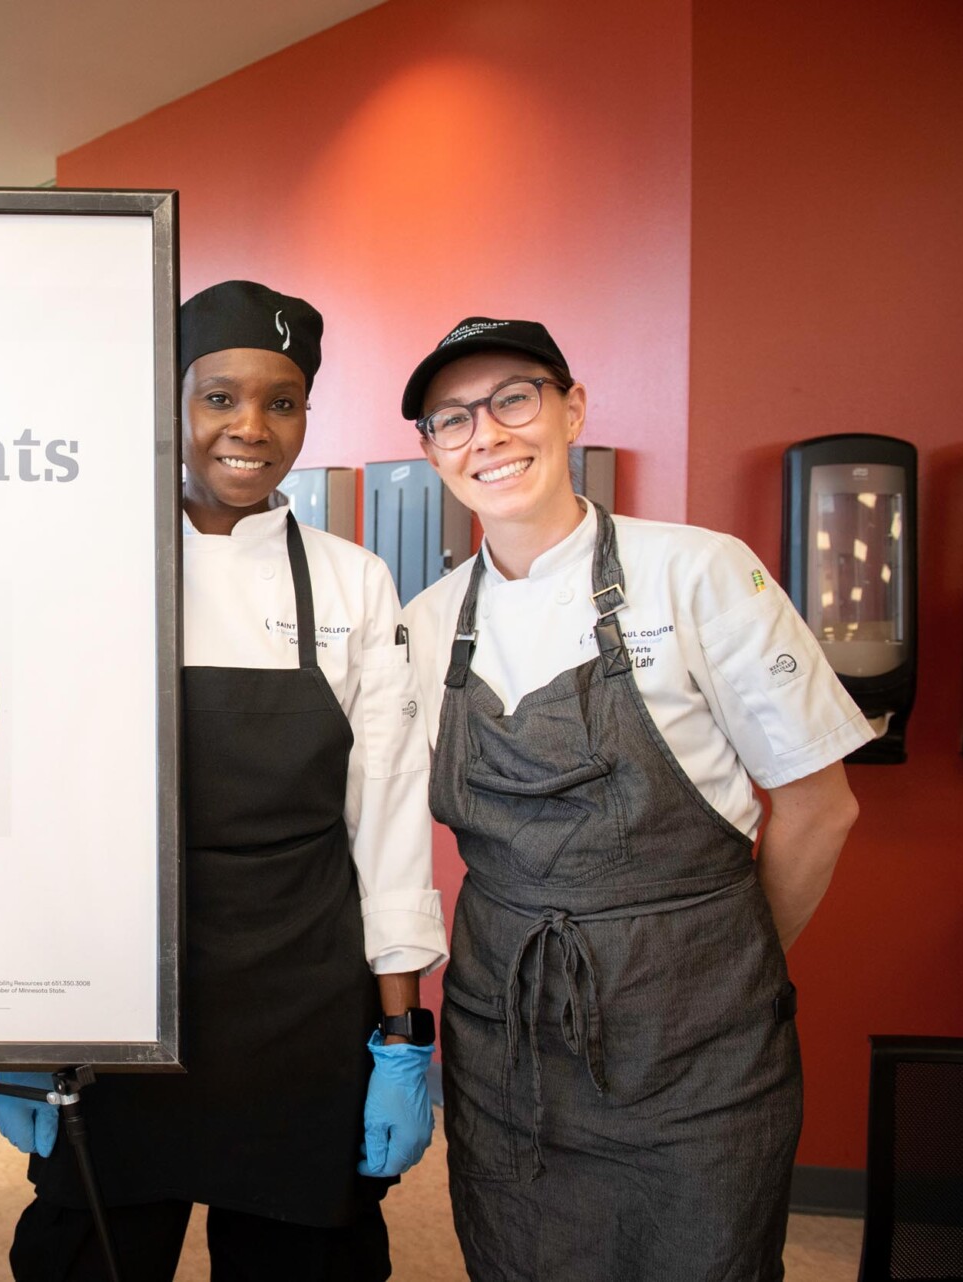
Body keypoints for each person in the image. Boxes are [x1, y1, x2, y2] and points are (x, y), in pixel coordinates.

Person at [0, 281, 447, 1282]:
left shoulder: (352, 581)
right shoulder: (83, 572)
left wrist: (403, 1031)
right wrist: (23, 1016)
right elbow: (37, 813)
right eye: (220, 397)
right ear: (170, 402)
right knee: (85, 1257)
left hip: (302, 999)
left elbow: (388, 818)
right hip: (119, 995)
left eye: (282, 402)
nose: (251, 427)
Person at [397, 318, 870, 1280]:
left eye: (513, 400)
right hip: (506, 1048)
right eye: (453, 419)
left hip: (699, 1055)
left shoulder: (698, 573)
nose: (486, 435)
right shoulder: (425, 623)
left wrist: (726, 975)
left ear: (573, 409)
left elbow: (823, 808)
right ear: (432, 451)